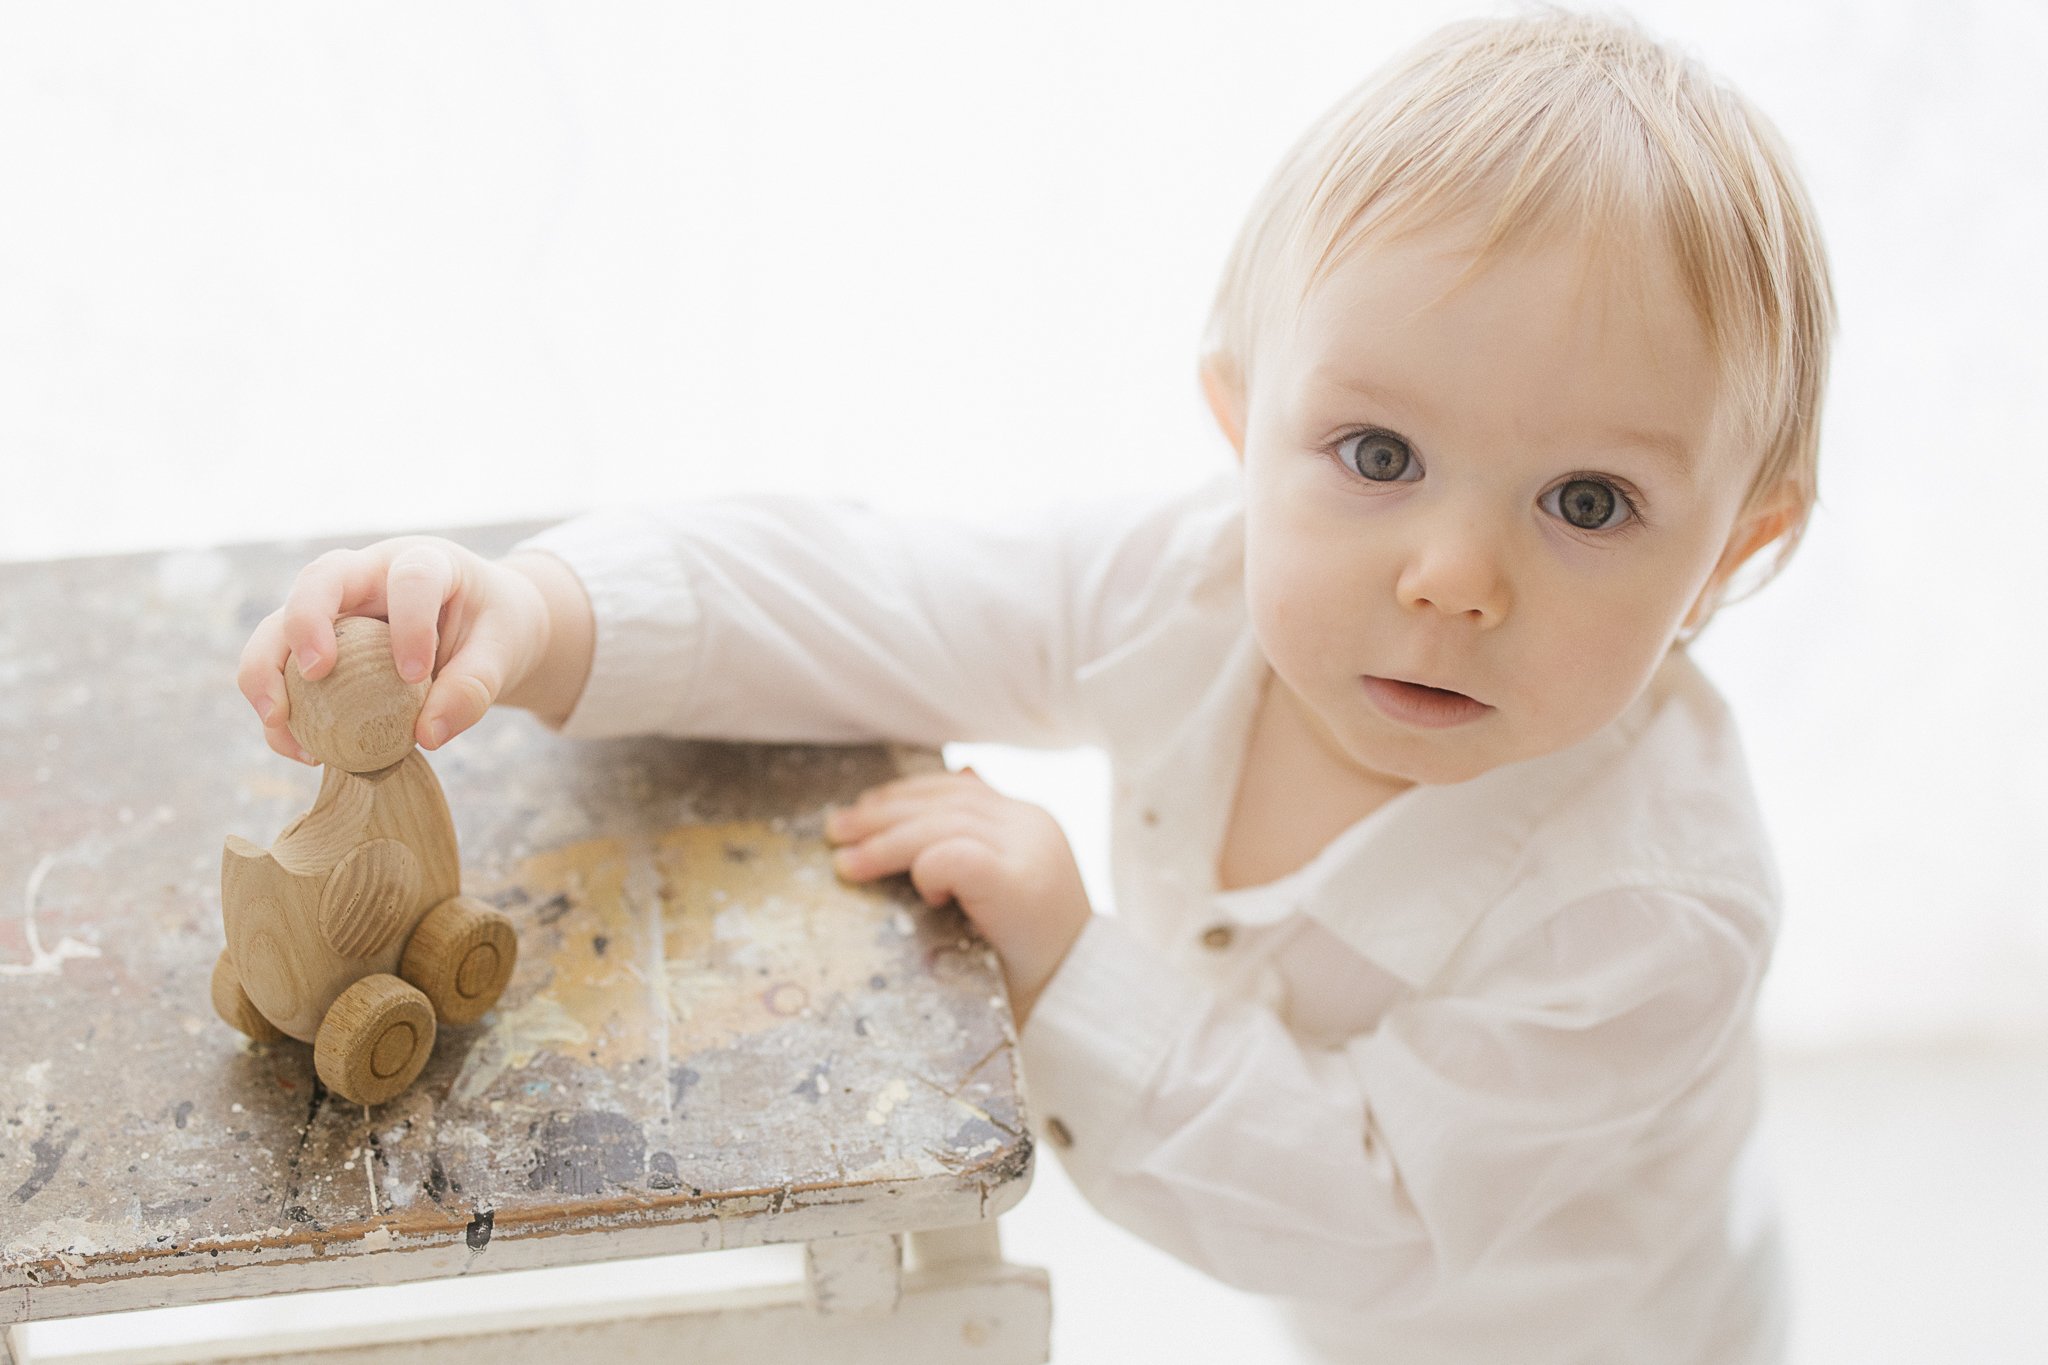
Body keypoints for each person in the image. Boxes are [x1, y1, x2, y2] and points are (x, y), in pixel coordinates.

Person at [236, 9, 1833, 1361]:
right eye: (1378, 455)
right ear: (1240, 418)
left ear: (1734, 548)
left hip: (1602, 1324)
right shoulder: (1194, 582)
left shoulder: (1656, 906)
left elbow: (1371, 1214)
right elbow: (876, 593)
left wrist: (1070, 963)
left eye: (1589, 502)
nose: (1451, 574)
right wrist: (541, 607)